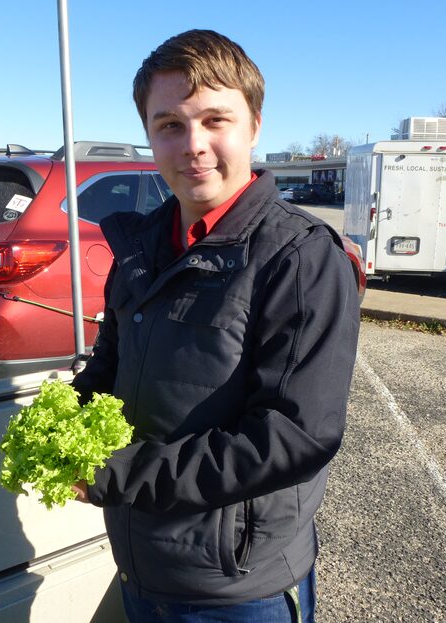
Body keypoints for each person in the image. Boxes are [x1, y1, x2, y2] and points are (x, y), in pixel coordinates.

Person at [72, 29, 360, 622]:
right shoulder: (142, 246)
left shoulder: (299, 257)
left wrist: (121, 475)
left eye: (214, 120)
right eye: (170, 125)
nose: (193, 145)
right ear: (150, 137)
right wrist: (66, 421)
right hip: (139, 560)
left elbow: (293, 436)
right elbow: (109, 365)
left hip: (234, 587)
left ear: (254, 126)